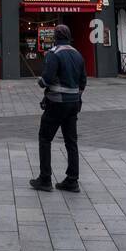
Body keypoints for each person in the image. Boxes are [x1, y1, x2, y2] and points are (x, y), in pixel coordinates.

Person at [30, 24, 86, 194]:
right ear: (69, 37)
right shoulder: (78, 54)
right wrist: (76, 96)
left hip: (56, 103)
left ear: (55, 37)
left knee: (45, 139)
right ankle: (72, 180)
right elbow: (83, 82)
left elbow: (46, 80)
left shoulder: (53, 54)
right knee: (71, 142)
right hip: (74, 104)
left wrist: (40, 82)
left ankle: (45, 178)